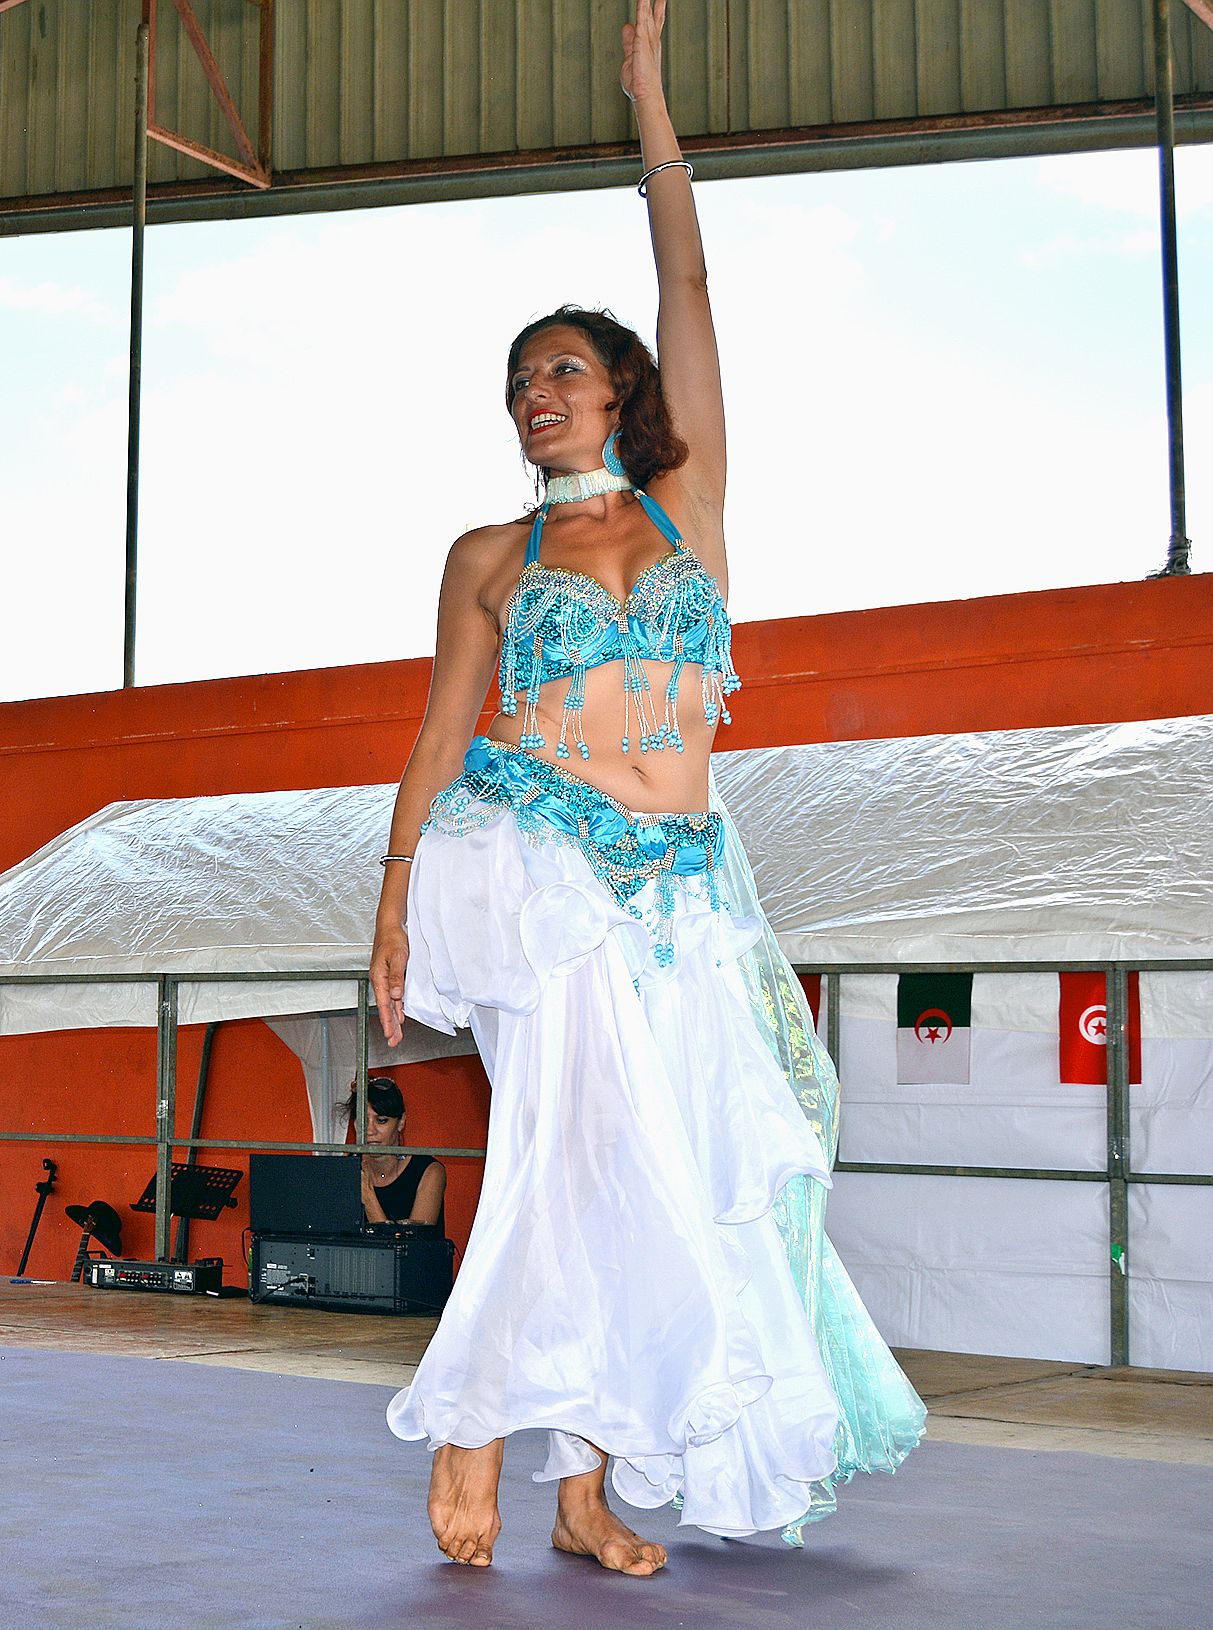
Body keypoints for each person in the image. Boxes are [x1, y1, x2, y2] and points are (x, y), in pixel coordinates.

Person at [367, 1, 923, 1574]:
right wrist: (394, 898)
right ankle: (476, 1425)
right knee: (569, 1156)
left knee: (662, 1182)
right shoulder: (488, 556)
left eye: (558, 371)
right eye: (515, 385)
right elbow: (432, 735)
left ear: (617, 389)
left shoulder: (692, 505)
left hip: (685, 891)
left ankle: (586, 1483)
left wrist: (649, 102)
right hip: (550, 880)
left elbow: (688, 283)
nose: (534, 396)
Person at [356, 1076, 444, 1229]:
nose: (369, 1131)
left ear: (401, 1121)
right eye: (362, 1121)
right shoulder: (347, 1165)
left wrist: (368, 1197)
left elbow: (410, 1249)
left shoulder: (429, 1171)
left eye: (381, 1120)